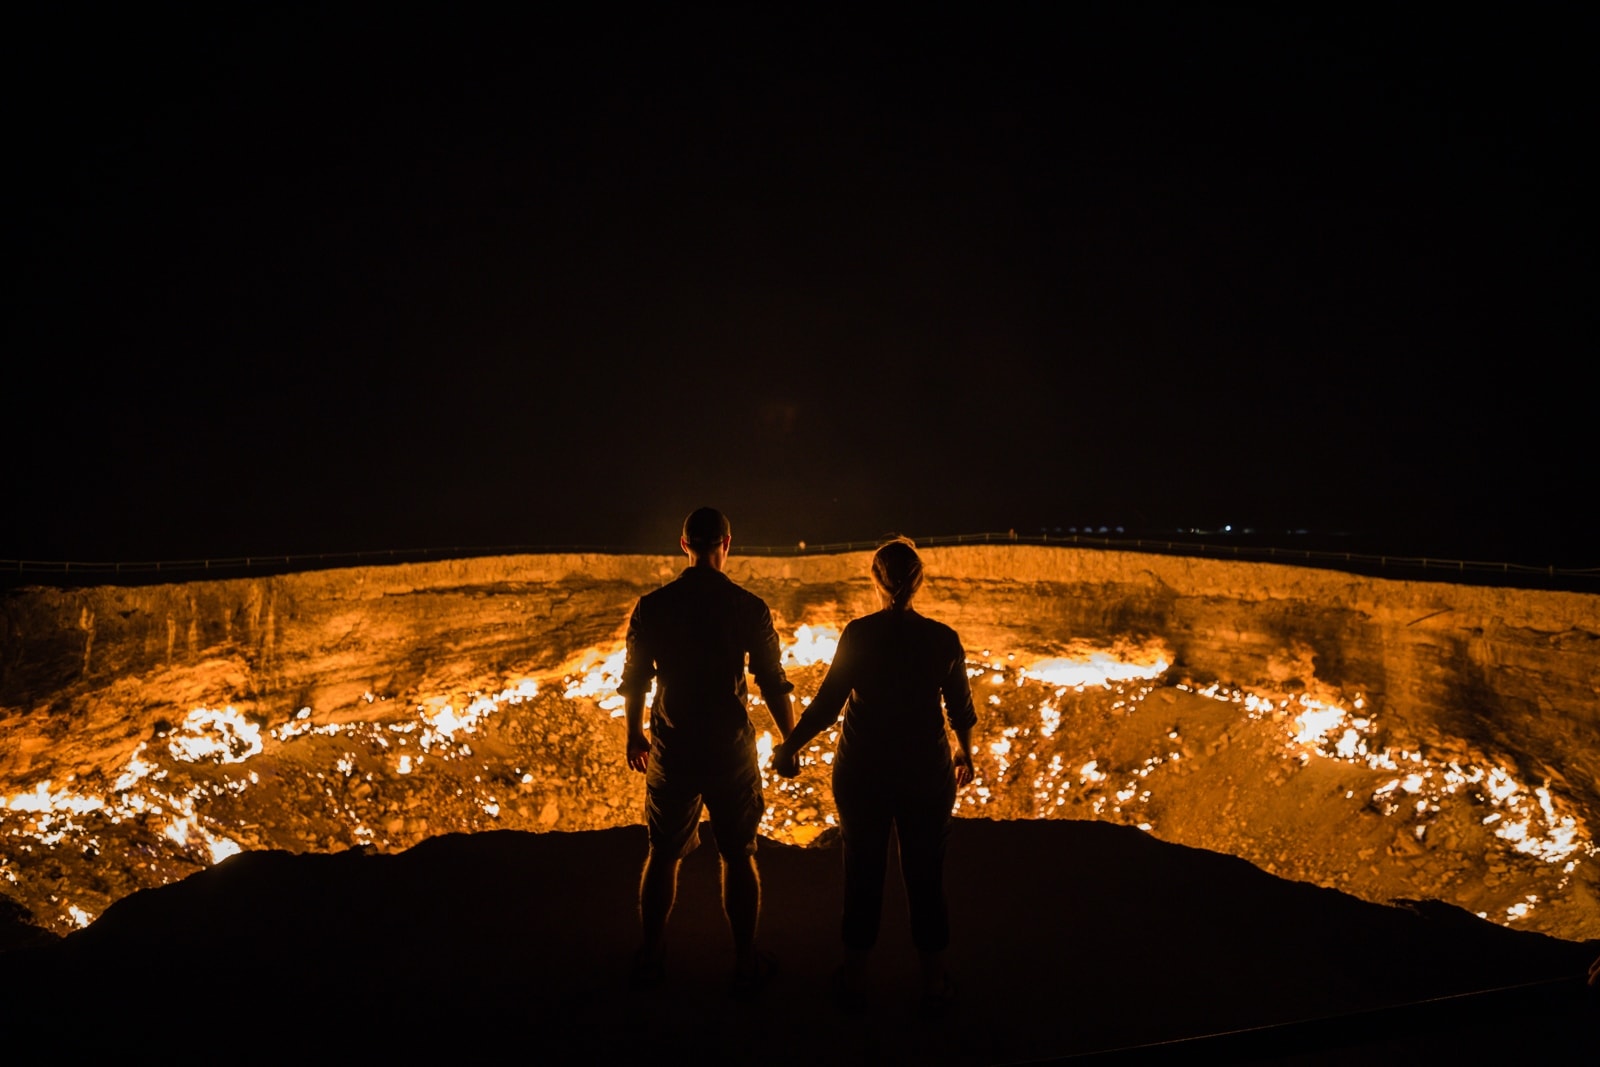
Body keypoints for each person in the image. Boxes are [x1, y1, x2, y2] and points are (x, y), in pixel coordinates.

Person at [771, 536, 977, 1014]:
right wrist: (964, 754)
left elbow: (828, 705)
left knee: (862, 873)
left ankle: (855, 981)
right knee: (926, 877)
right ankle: (933, 984)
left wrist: (789, 747)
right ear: (919, 582)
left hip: (863, 771)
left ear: (875, 581)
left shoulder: (860, 635)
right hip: (925, 773)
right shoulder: (942, 639)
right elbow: (961, 710)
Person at [618, 506, 796, 995]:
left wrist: (634, 735)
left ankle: (651, 956)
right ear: (727, 543)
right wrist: (790, 739)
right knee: (738, 856)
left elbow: (635, 678)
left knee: (662, 854)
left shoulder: (653, 607)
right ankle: (744, 961)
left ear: (684, 545)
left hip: (672, 747)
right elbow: (772, 681)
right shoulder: (747, 607)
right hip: (729, 751)